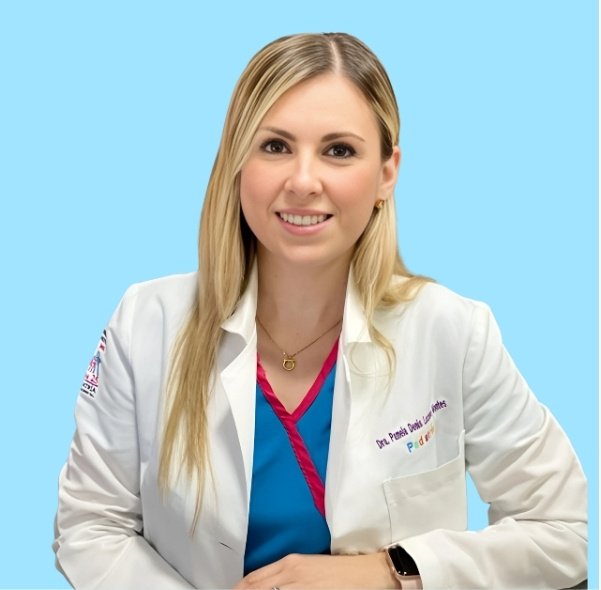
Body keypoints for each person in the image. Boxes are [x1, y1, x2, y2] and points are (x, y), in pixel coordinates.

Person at [53, 32, 587, 589]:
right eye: (275, 146)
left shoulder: (451, 331)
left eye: (339, 151)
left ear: (386, 173)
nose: (303, 182)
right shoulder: (147, 323)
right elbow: (91, 525)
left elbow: (565, 532)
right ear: (237, 162)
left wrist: (389, 572)